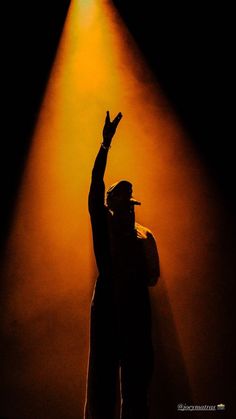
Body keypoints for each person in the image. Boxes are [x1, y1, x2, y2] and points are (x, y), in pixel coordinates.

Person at [84, 111, 160, 419]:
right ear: (109, 206)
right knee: (103, 379)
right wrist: (105, 145)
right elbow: (95, 182)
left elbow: (153, 277)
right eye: (120, 204)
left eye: (129, 205)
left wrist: (136, 274)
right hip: (108, 302)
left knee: (137, 382)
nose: (126, 210)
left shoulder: (144, 234)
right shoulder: (103, 223)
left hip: (135, 305)